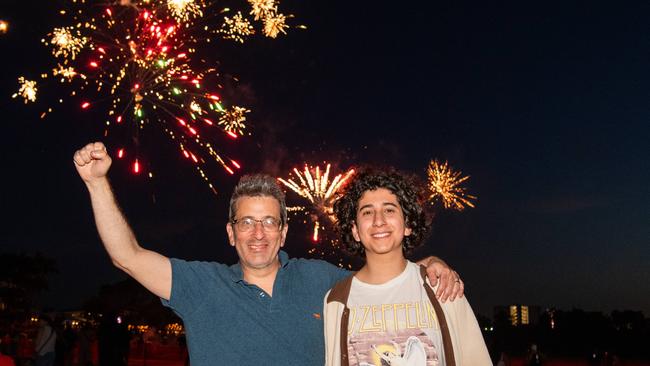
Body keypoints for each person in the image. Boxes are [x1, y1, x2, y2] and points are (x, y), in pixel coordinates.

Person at [72, 142, 464, 365]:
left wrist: (429, 264)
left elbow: (382, 275)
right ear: (230, 233)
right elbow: (127, 255)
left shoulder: (322, 279)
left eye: (269, 222)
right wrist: (97, 183)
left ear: (284, 232)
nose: (257, 233)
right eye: (246, 222)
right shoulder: (200, 285)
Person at [325, 168, 491, 365]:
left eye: (389, 210)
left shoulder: (442, 287)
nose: (379, 221)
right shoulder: (336, 301)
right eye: (368, 212)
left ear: (408, 225)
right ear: (355, 230)